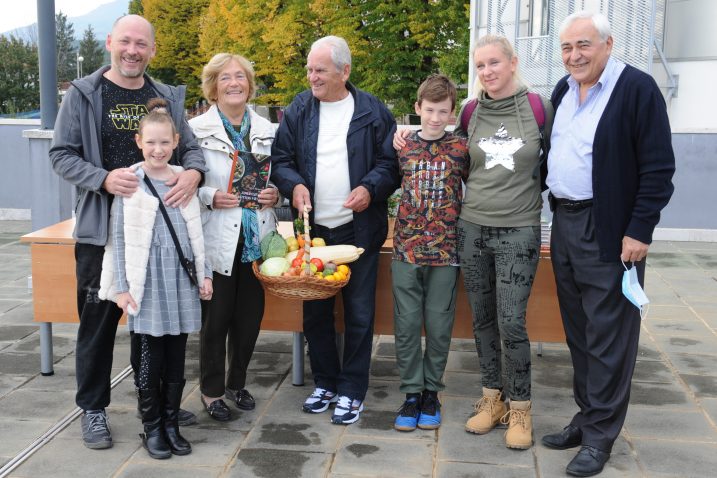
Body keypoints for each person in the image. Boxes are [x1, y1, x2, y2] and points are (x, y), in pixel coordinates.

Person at [49, 14, 207, 450]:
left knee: (152, 326)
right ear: (109, 43)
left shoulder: (165, 97)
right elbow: (61, 154)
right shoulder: (84, 94)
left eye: (141, 44)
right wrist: (102, 178)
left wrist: (193, 173)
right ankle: (94, 409)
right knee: (98, 322)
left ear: (152, 50)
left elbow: (191, 149)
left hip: (160, 237)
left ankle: (153, 404)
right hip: (103, 231)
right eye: (125, 42)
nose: (133, 50)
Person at [395, 34, 553, 449]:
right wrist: (404, 136)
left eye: (494, 63)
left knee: (511, 321)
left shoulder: (539, 108)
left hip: (519, 228)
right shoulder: (470, 111)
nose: (487, 72)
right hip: (472, 228)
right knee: (482, 319)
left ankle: (520, 407)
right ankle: (492, 399)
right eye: (480, 65)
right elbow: (448, 152)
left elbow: (553, 162)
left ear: (513, 62)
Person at [541, 11, 675, 477]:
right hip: (566, 223)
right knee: (579, 331)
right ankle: (587, 415)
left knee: (610, 337)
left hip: (612, 230)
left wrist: (639, 230)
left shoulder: (636, 90)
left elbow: (658, 169)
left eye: (583, 45)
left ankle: (601, 437)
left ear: (608, 44)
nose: (574, 56)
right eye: (566, 48)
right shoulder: (563, 90)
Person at [271, 35, 400, 425]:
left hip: (358, 230)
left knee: (360, 313)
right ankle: (325, 382)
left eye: (320, 70)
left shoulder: (373, 110)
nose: (312, 76)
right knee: (315, 315)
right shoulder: (299, 109)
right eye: (309, 69)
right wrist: (293, 184)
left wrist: (369, 188)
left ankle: (353, 389)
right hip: (313, 232)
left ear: (344, 71)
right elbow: (281, 160)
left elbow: (390, 164)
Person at [99, 99, 212, 459]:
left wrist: (204, 275)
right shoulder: (131, 181)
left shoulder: (183, 180)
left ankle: (171, 422)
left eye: (165, 142)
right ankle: (151, 427)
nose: (158, 149)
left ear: (176, 141)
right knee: (150, 357)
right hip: (146, 285)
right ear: (139, 142)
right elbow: (117, 238)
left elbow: (197, 234)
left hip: (179, 280)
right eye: (151, 142)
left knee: (177, 357)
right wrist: (120, 288)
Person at [188, 53, 280, 421]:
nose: (234, 83)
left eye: (240, 76)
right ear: (213, 86)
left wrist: (278, 193)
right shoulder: (195, 131)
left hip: (256, 238)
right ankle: (211, 392)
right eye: (225, 77)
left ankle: (236, 382)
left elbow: (280, 174)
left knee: (249, 319)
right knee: (216, 320)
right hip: (217, 238)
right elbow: (180, 184)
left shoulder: (267, 127)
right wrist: (210, 196)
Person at [391, 74, 469, 433]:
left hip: (446, 252)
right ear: (417, 108)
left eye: (443, 111)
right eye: (430, 110)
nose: (435, 118)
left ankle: (431, 393)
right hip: (406, 249)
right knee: (407, 325)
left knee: (439, 326)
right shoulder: (403, 146)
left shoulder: (461, 149)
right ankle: (410, 393)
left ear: (453, 112)